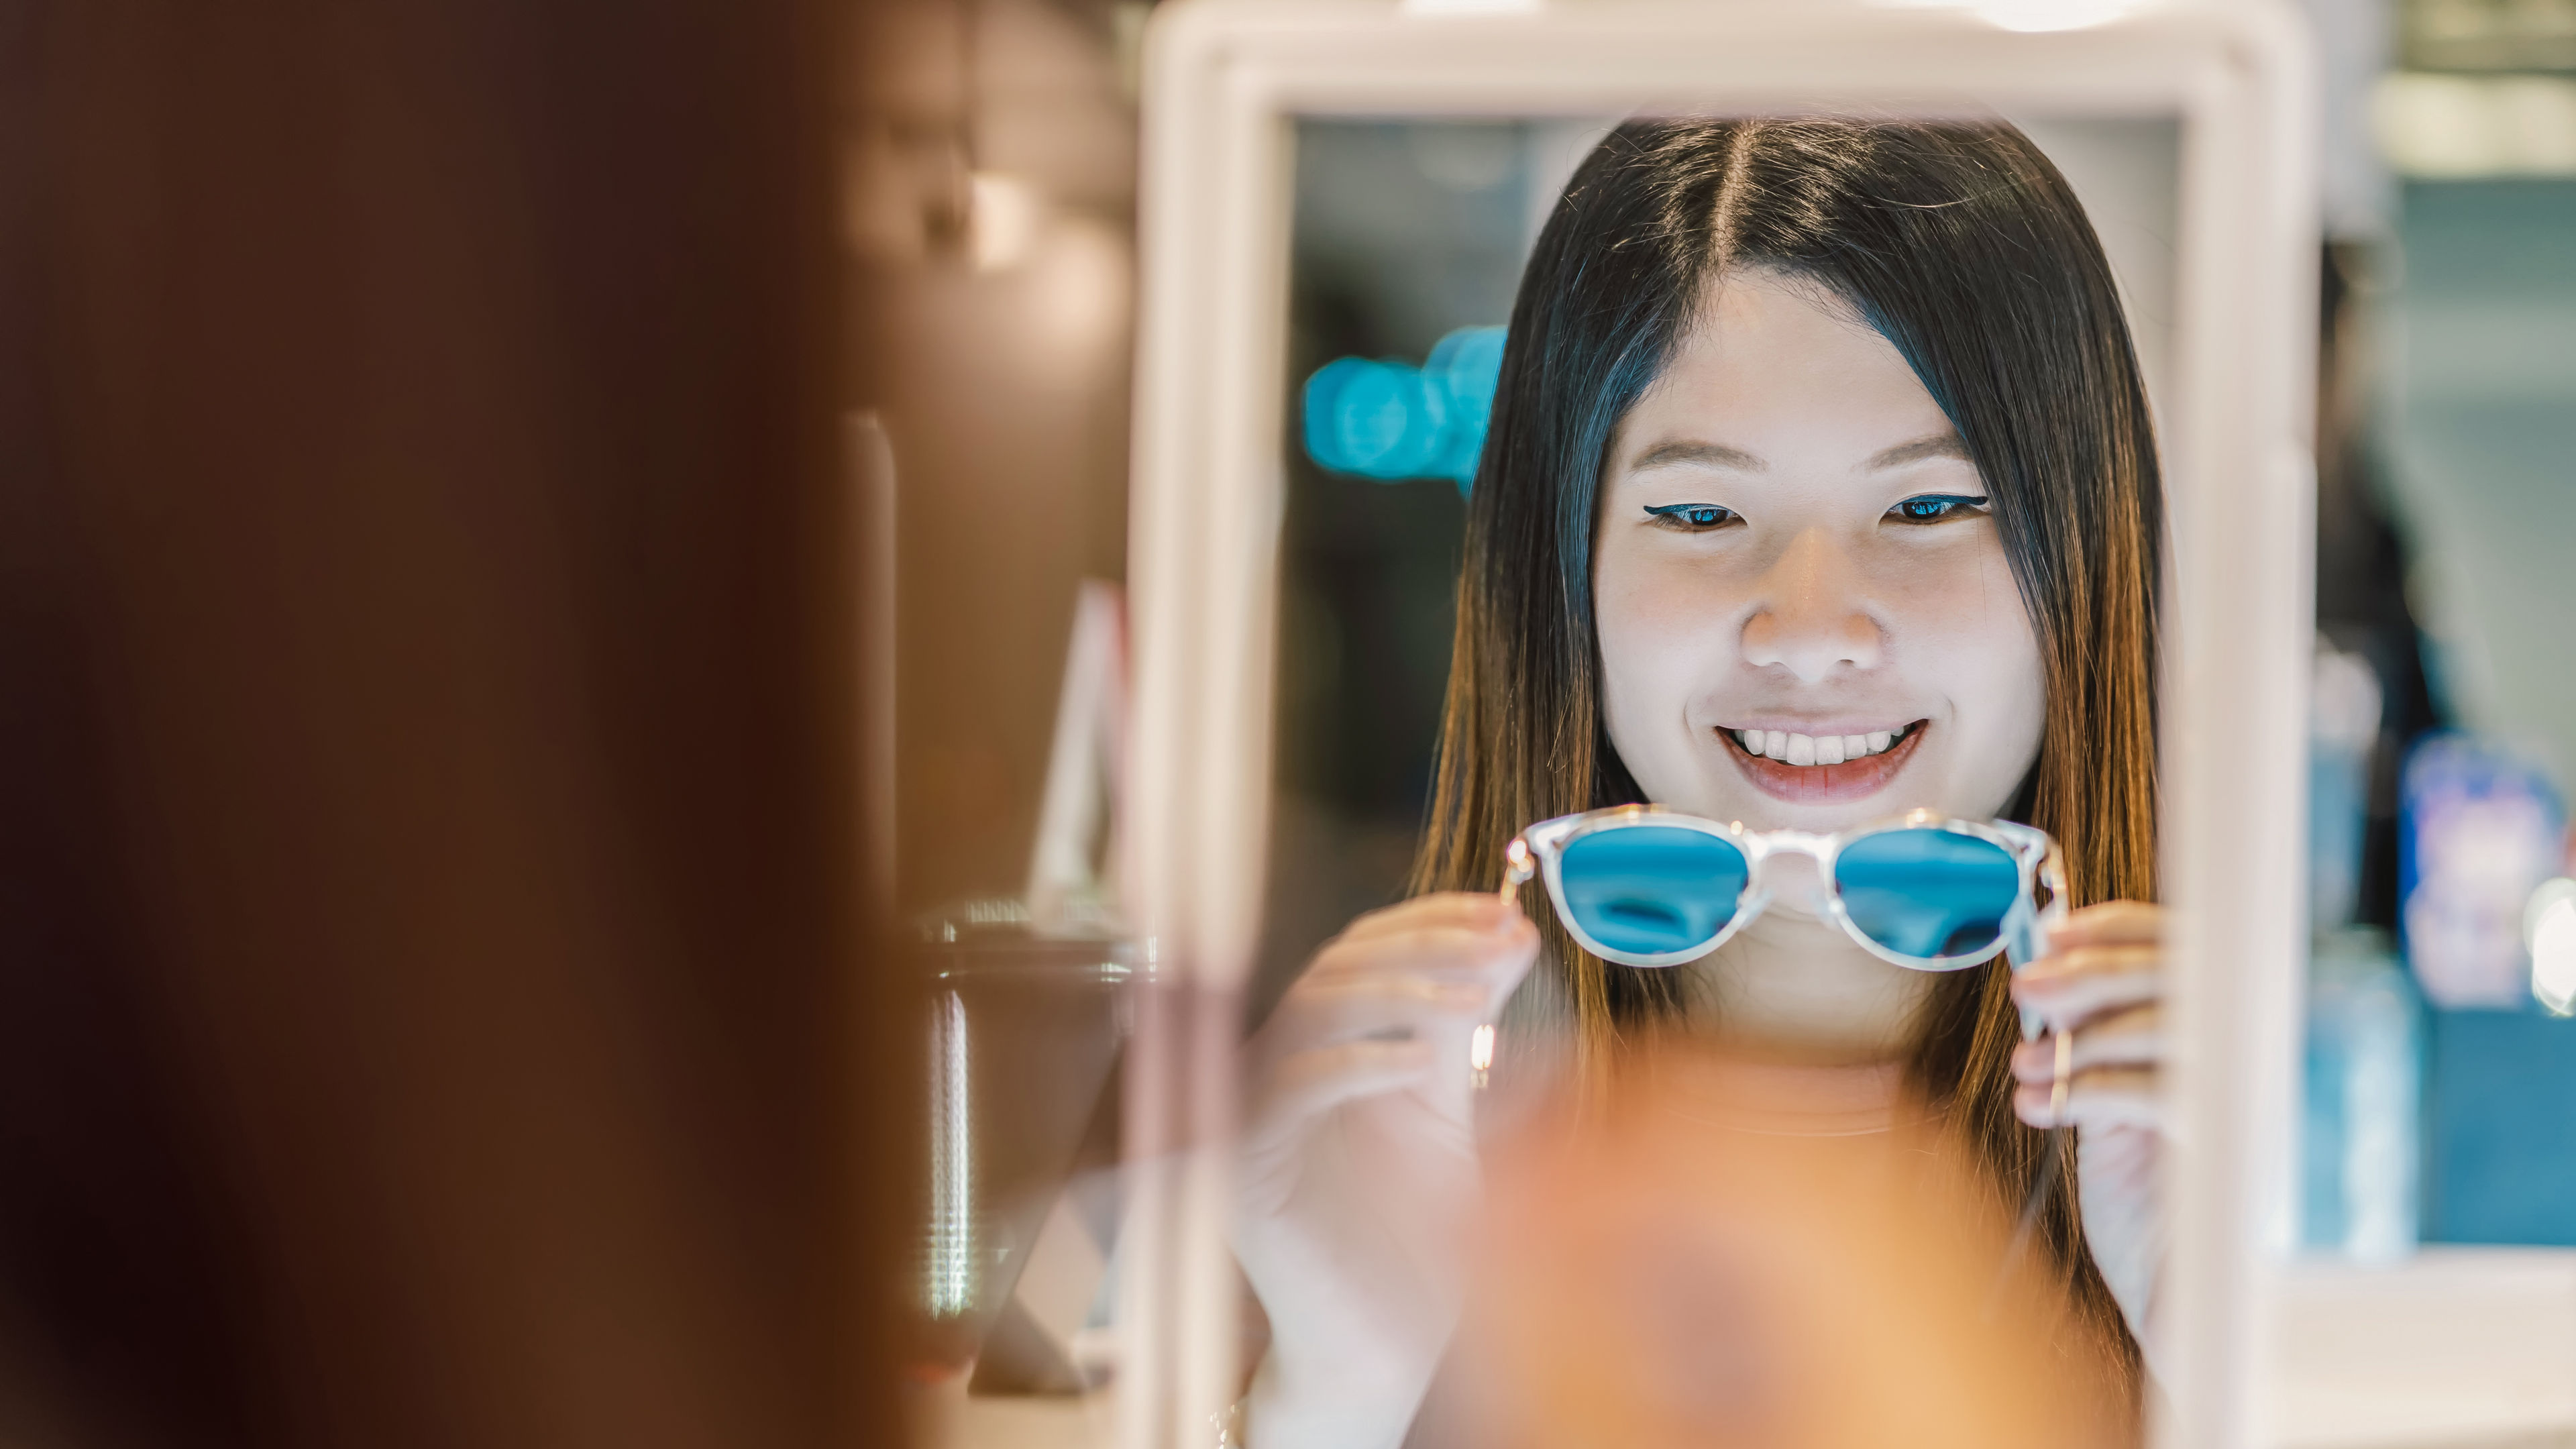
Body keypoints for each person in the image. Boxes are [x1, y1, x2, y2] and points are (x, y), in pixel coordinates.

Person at [1236, 117, 2169, 1448]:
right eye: (1697, 515)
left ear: (2085, 563)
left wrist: (2233, 1362)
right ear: (1563, 578)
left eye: (1927, 508)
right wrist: (1330, 1397)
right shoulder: (1343, 1160)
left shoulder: (2268, 1172)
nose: (1807, 627)